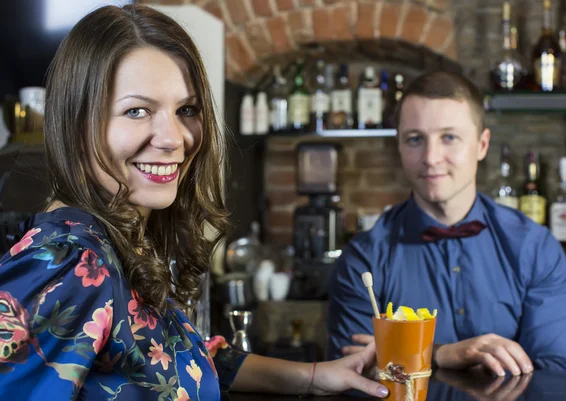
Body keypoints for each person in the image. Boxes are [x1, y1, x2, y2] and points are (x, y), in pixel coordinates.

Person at [0, 5, 390, 400]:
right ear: (77, 123)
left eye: (186, 110)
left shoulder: (118, 240)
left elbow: (171, 355)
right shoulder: (71, 263)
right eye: (137, 111)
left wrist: (313, 376)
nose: (174, 138)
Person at [327, 71, 566, 376]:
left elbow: (557, 372)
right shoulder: (364, 258)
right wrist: (441, 354)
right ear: (399, 145)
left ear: (482, 145)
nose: (431, 157)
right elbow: (352, 371)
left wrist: (401, 352)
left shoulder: (534, 248)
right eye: (415, 139)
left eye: (449, 137)